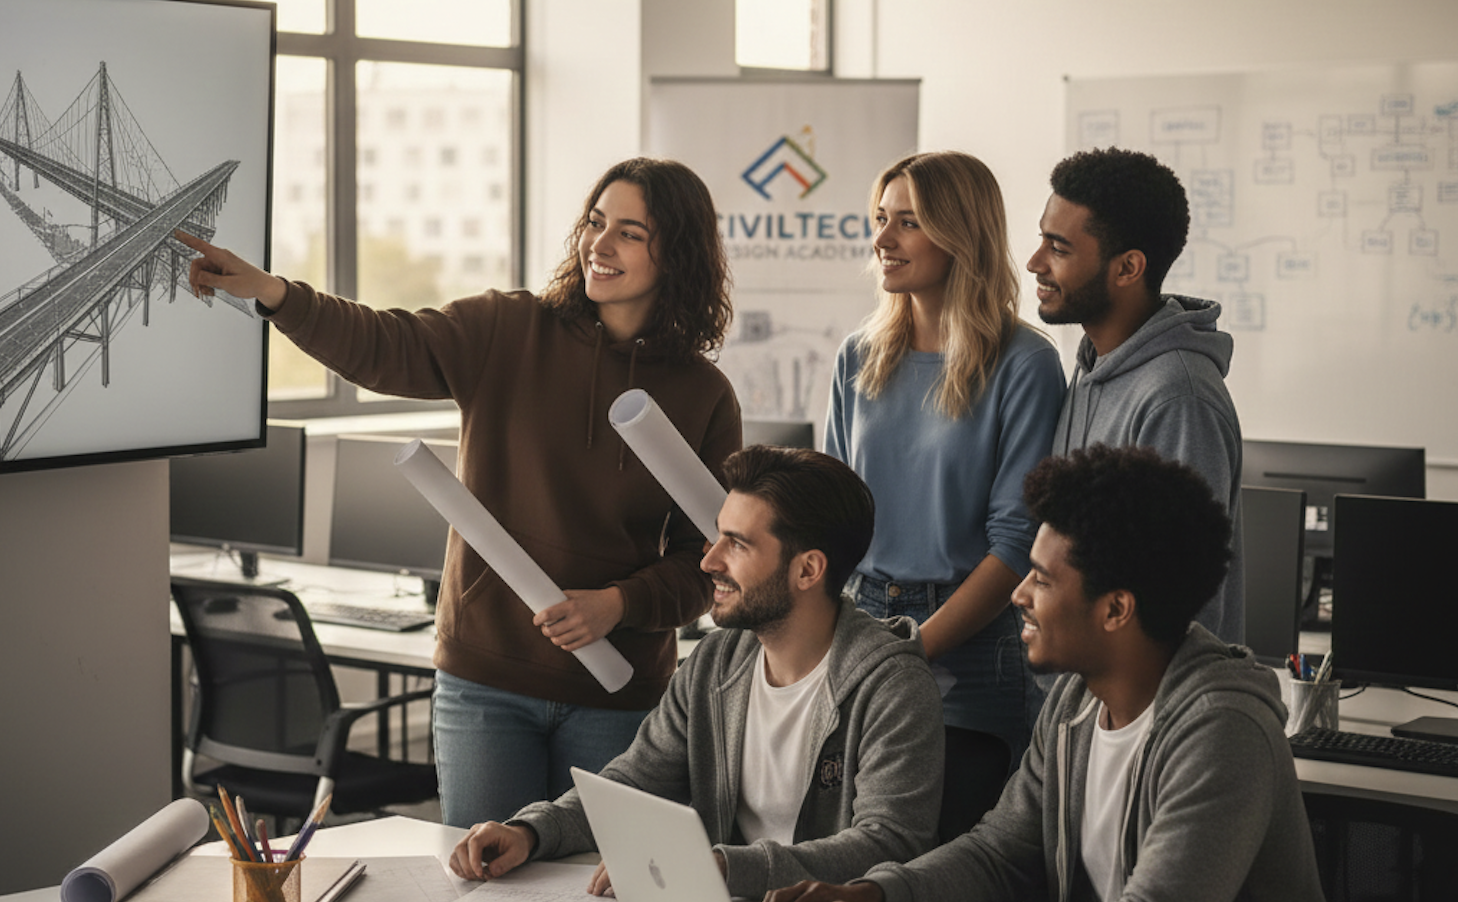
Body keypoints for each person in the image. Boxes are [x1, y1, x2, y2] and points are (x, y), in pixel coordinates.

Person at [177, 157, 742, 828]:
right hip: (485, 685)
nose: (600, 243)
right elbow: (384, 343)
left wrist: (618, 605)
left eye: (630, 232)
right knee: (484, 881)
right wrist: (276, 294)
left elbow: (710, 560)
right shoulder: (505, 329)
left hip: (617, 694)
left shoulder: (704, 395)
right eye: (595, 222)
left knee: (596, 885)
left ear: (675, 254)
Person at [765, 445, 1324, 902]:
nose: (1018, 594)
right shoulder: (1076, 702)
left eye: (1042, 579)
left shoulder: (1221, 732)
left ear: (1115, 610)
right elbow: (998, 854)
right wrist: (871, 895)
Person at [447, 445, 945, 900]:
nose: (709, 561)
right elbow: (632, 783)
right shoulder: (715, 663)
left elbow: (889, 842)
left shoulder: (891, 684)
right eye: (715, 538)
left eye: (737, 544)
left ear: (808, 570)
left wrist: (720, 868)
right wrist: (532, 832)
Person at [823, 150, 1065, 837]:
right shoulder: (858, 356)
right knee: (859, 857)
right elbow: (831, 516)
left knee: (945, 863)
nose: (882, 240)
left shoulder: (1025, 363)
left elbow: (1018, 543)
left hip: (975, 648)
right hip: (861, 622)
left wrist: (912, 650)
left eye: (908, 222)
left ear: (960, 234)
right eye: (879, 219)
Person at [1026, 146, 1244, 644]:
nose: (1035, 262)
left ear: (1127, 268)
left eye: (1058, 248)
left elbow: (1181, 596)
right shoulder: (1089, 369)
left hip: (1148, 710)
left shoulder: (1177, 399)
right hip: (1080, 704)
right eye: (1042, 239)